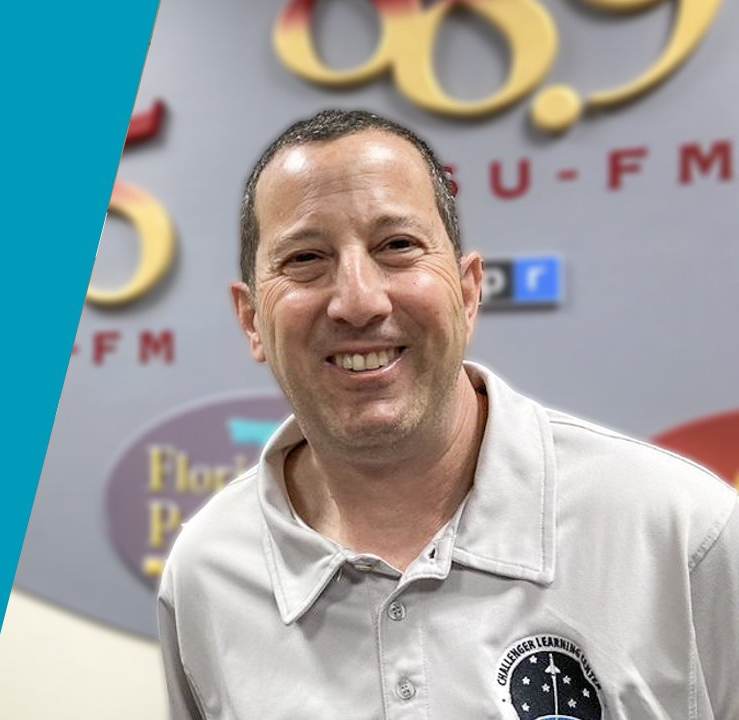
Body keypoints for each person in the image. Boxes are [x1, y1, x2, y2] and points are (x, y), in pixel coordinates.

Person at [156, 109, 739, 720]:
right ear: (252, 319)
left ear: (467, 292)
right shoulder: (207, 573)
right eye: (305, 258)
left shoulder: (680, 535)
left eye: (397, 247)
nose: (358, 300)